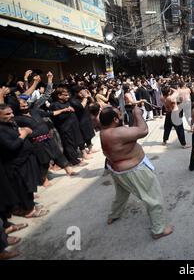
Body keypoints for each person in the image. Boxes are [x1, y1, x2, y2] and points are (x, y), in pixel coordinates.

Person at [99, 105, 173, 239]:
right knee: (153, 198)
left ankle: (113, 215)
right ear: (115, 119)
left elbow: (132, 132)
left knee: (121, 195)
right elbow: (143, 130)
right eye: (119, 114)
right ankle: (158, 230)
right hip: (133, 171)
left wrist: (134, 117)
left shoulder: (104, 131)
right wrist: (138, 114)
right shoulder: (118, 132)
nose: (121, 115)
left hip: (118, 171)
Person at [15, 98, 78, 187]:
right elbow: (17, 130)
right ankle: (44, 179)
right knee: (44, 160)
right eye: (22, 105)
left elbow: (51, 113)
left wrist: (64, 110)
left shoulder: (35, 111)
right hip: (36, 142)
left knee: (58, 154)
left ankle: (68, 170)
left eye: (25, 103)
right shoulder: (17, 118)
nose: (25, 105)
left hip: (48, 138)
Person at [0, 104, 48, 218]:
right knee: (22, 188)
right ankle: (29, 211)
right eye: (7, 114)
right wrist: (23, 134)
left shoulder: (10, 123)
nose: (12, 115)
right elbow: (12, 146)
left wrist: (24, 131)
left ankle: (30, 205)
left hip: (26, 159)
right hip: (16, 164)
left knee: (29, 185)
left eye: (11, 112)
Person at [50, 87, 88, 167]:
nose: (68, 96)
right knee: (69, 145)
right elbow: (58, 117)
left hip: (73, 126)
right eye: (65, 95)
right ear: (59, 96)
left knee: (74, 143)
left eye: (68, 95)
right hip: (65, 128)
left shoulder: (67, 102)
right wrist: (66, 110)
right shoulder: (55, 105)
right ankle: (75, 162)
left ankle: (75, 158)